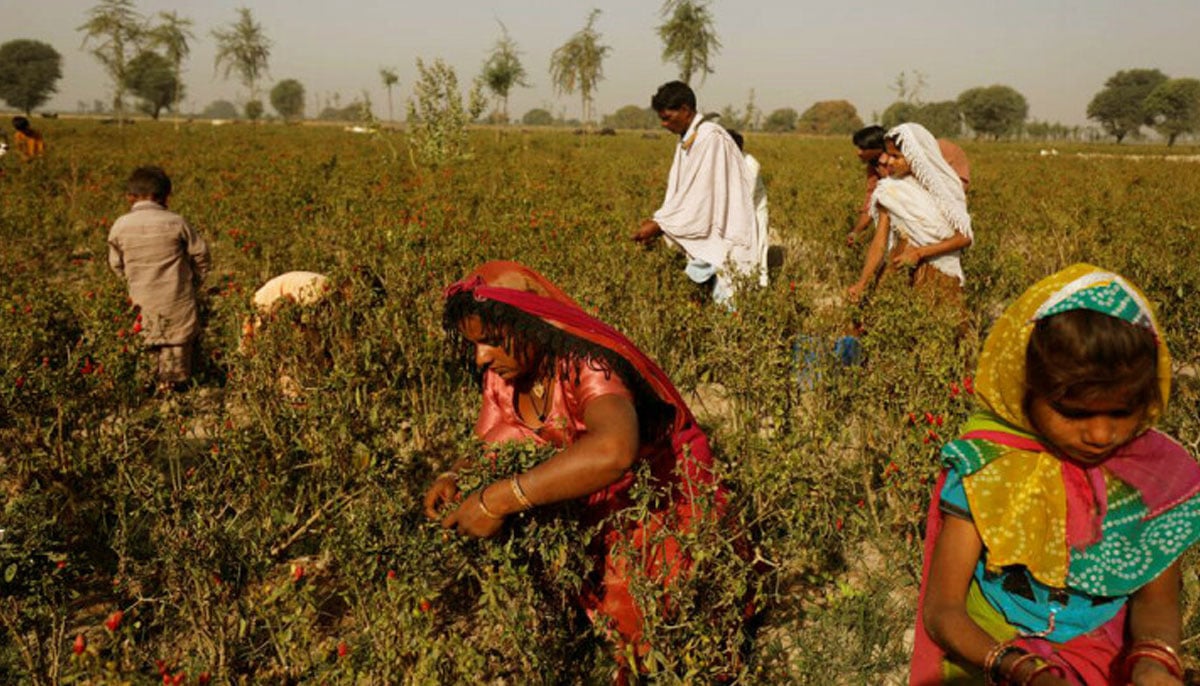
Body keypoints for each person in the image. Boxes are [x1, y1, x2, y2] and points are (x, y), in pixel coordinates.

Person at [424, 261, 726, 677]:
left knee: (662, 635)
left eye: (491, 341)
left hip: (657, 501)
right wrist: (454, 476)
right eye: (474, 345)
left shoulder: (589, 365)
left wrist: (496, 500)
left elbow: (614, 452)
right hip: (593, 503)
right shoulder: (504, 377)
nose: (481, 358)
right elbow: (491, 436)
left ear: (532, 325)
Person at [911, 263, 1200, 685]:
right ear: (1026, 390)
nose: (1101, 433)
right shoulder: (988, 469)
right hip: (989, 653)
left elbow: (1156, 603)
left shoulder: (1155, 479)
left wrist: (1152, 663)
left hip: (1105, 659)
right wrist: (1021, 668)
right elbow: (944, 610)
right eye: (1074, 412)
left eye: (1122, 411)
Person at [632, 81, 764, 307]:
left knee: (729, 304)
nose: (664, 124)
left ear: (685, 110)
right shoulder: (689, 138)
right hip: (709, 232)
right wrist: (660, 220)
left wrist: (659, 224)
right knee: (702, 295)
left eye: (667, 117)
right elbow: (684, 191)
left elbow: (698, 195)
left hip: (723, 231)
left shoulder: (710, 137)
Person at [107, 166, 211, 390]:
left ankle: (149, 395)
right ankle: (173, 400)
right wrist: (194, 282)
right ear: (165, 197)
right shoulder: (177, 222)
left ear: (130, 197)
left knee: (146, 355)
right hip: (177, 303)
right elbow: (201, 254)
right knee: (176, 361)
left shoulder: (120, 226)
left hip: (140, 303)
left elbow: (116, 265)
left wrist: (132, 282)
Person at [847, 122, 973, 304]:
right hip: (898, 266)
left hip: (939, 273)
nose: (888, 162)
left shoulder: (945, 189)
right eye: (888, 155)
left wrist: (919, 253)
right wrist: (863, 282)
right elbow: (879, 242)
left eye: (896, 156)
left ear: (915, 155)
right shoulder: (888, 190)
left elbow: (964, 238)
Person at [846, 125, 970, 246]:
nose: (859, 153)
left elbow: (955, 191)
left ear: (877, 148)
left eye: (863, 148)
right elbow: (871, 201)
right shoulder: (874, 166)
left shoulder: (918, 155)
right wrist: (856, 232)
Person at [726, 129, 770, 286]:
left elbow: (745, 199)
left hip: (753, 209)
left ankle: (760, 285)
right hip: (732, 208)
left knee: (758, 247)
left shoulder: (751, 165)